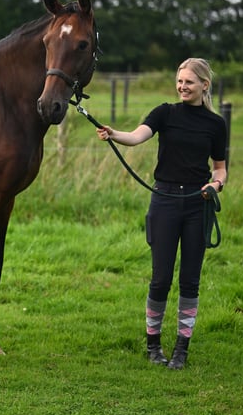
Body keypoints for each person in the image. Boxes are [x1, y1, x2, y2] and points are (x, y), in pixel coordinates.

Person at [96, 58, 227, 370]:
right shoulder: (165, 113)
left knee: (190, 281)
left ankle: (182, 349)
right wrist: (114, 134)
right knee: (160, 279)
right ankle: (153, 345)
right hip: (164, 200)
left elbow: (220, 169)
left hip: (198, 203)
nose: (183, 86)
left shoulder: (216, 124)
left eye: (189, 82)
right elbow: (138, 136)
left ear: (204, 86)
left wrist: (216, 185)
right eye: (180, 81)